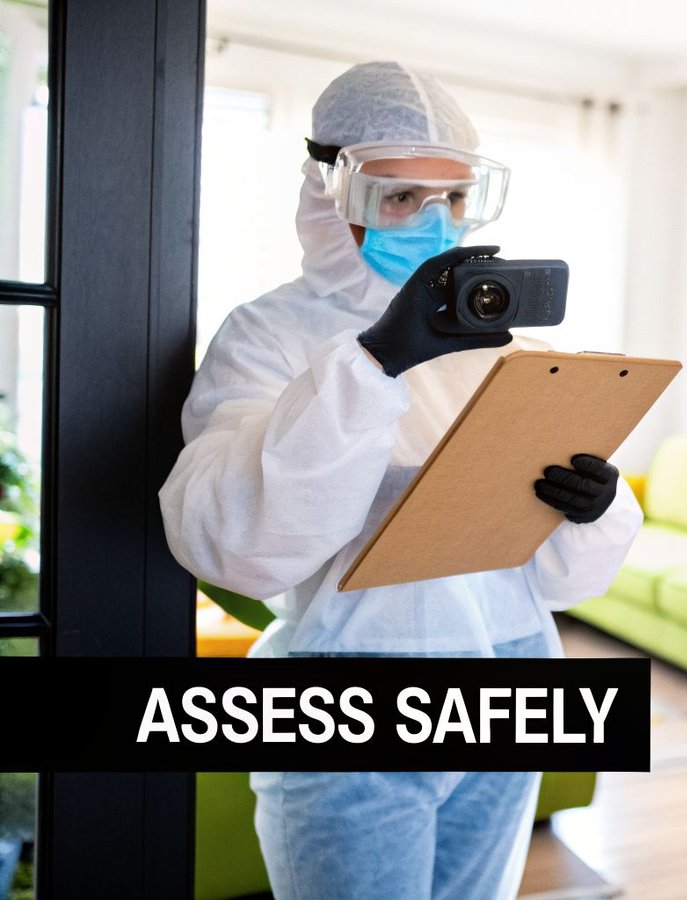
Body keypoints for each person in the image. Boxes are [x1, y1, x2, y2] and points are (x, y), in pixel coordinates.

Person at [158, 61, 641, 899]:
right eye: (399, 196)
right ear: (329, 193)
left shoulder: (510, 350)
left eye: (452, 197)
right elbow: (229, 540)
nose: (433, 220)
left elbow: (560, 583)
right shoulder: (268, 335)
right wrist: (376, 362)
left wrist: (593, 509)